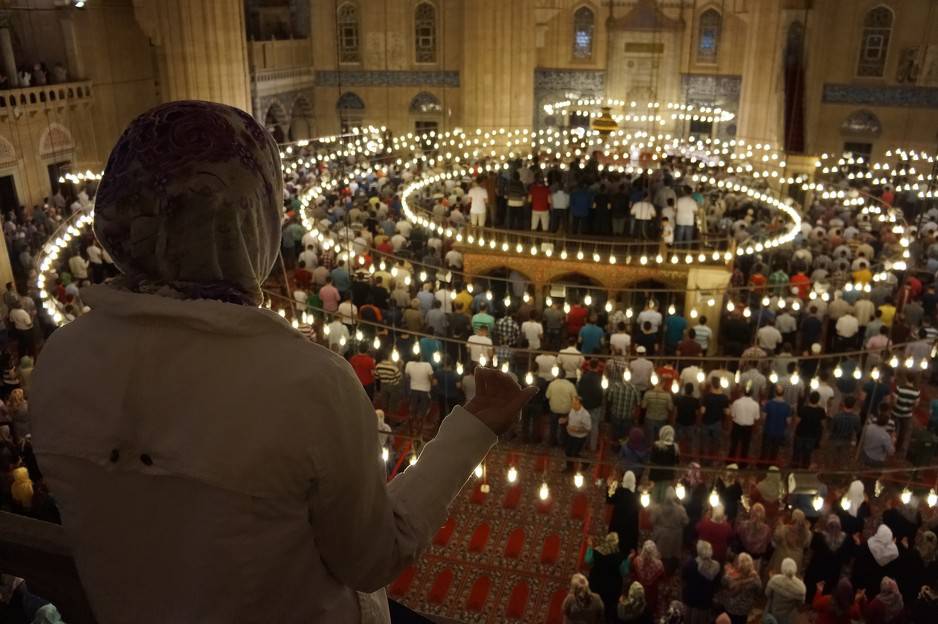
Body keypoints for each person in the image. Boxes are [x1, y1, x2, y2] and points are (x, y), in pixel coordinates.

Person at [31, 102, 539, 624]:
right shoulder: (307, 383)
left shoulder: (60, 361)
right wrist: (474, 429)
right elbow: (372, 559)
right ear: (255, 220)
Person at [804, 514, 855, 603]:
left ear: (839, 527)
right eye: (831, 526)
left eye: (836, 526)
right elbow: (810, 552)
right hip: (818, 570)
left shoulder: (846, 540)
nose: (834, 529)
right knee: (814, 589)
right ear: (828, 526)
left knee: (827, 594)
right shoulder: (819, 536)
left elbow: (847, 559)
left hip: (833, 573)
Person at [585, 532, 626, 623]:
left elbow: (588, 560)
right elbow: (624, 572)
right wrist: (629, 560)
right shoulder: (619, 557)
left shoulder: (596, 551)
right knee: (609, 605)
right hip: (612, 586)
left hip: (596, 582)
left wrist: (590, 546)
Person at [852, 524, 900, 596]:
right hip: (878, 585)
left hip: (862, 580)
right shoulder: (893, 553)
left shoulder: (870, 545)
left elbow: (859, 554)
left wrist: (857, 543)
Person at [681, 540, 720, 624]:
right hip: (705, 598)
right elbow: (717, 583)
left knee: (689, 619)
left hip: (691, 595)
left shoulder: (690, 564)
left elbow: (684, 578)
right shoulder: (716, 565)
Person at [650, 486, 688, 572]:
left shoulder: (657, 508)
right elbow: (686, 521)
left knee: (660, 555)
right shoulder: (680, 509)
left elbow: (652, 520)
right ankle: (671, 570)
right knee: (673, 556)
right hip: (675, 537)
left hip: (661, 536)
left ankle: (659, 570)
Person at [721, 553, 762, 624]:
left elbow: (723, 583)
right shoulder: (756, 579)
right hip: (744, 609)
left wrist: (728, 572)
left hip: (730, 607)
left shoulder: (730, 577)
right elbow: (759, 592)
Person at [765, 558, 807, 624]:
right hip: (788, 617)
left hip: (773, 612)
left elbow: (767, 594)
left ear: (782, 567)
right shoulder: (801, 587)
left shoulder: (775, 580)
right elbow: (800, 606)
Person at [768, 509, 810, 575]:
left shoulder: (784, 529)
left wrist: (780, 523)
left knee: (778, 577)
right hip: (796, 559)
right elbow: (807, 544)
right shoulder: (806, 533)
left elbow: (776, 537)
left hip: (782, 557)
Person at [607, 471, 640, 554]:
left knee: (614, 546)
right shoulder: (636, 496)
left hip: (617, 523)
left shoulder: (618, 492)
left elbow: (609, 498)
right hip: (630, 525)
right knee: (626, 547)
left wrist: (611, 484)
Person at [628, 541, 665, 616]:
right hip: (651, 593)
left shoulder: (637, 560)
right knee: (649, 609)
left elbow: (631, 571)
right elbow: (662, 578)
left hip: (638, 590)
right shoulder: (659, 565)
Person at [728, 385, 759, 465]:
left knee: (734, 444)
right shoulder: (755, 404)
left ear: (742, 392)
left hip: (737, 425)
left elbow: (732, 415)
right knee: (745, 446)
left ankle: (730, 461)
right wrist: (755, 429)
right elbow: (756, 418)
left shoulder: (736, 402)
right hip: (748, 427)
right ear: (752, 393)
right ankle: (743, 463)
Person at [793, 390, 826, 468]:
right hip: (812, 435)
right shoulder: (821, 411)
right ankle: (805, 468)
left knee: (797, 453)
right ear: (818, 400)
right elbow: (823, 424)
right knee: (807, 454)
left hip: (800, 434)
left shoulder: (803, 409)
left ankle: (794, 468)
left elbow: (797, 421)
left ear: (809, 399)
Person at [648, 426, 678, 502]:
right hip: (668, 474)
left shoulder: (656, 445)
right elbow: (676, 462)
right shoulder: (675, 447)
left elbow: (652, 459)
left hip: (656, 473)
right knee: (664, 493)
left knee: (655, 492)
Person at [564, 395, 592, 471]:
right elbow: (570, 417)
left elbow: (588, 428)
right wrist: (565, 420)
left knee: (574, 453)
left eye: (575, 403)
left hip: (579, 437)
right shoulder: (572, 409)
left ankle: (585, 462)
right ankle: (569, 468)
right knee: (567, 452)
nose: (573, 405)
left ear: (580, 404)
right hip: (570, 434)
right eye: (572, 403)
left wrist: (577, 429)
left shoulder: (585, 415)